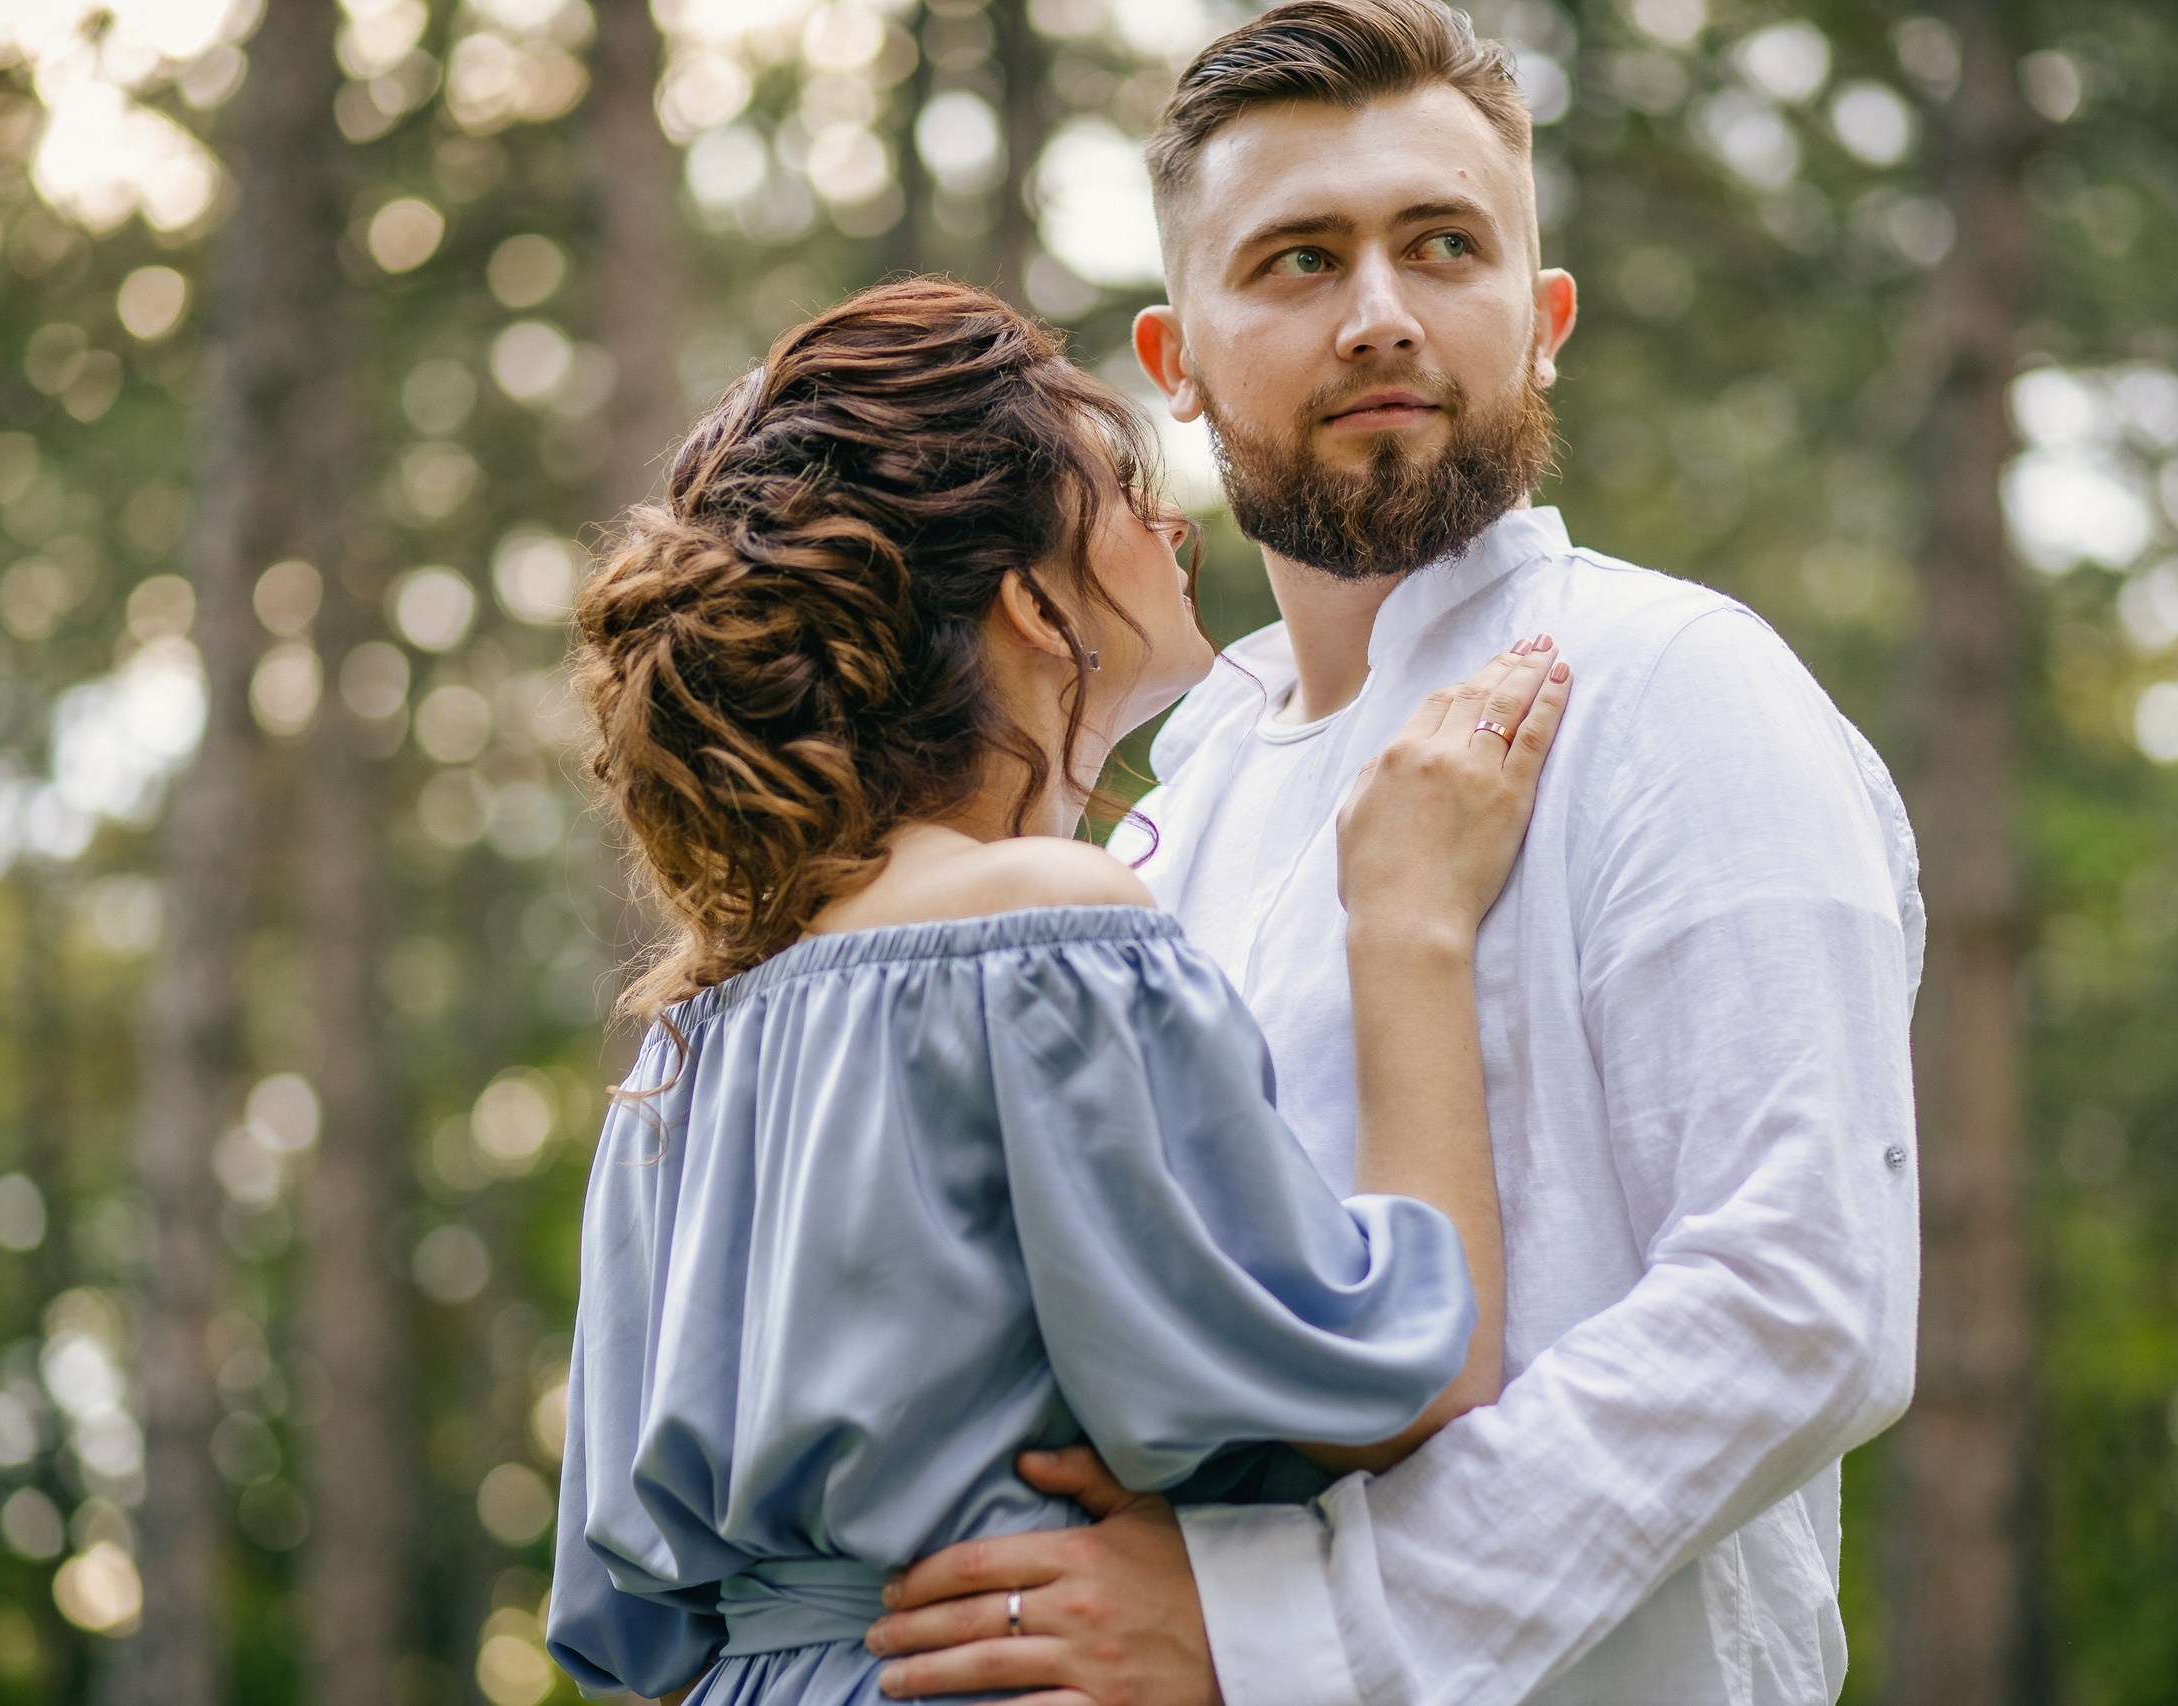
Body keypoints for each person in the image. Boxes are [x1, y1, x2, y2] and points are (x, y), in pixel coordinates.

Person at [862, 4, 1925, 1704]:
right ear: (1175, 360)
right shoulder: (1163, 818)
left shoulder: (1675, 687)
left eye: (1444, 245)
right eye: (1296, 259)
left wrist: (1281, 1625)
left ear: (1543, 317)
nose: (1379, 316)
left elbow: (1795, 1296)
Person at [544, 277, 1576, 1705]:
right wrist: (1411, 922)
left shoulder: (687, 1041)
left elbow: (628, 1620)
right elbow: (1407, 1378)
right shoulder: (1046, 935)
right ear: (1033, 600)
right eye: (1128, 488)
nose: (1176, 527)